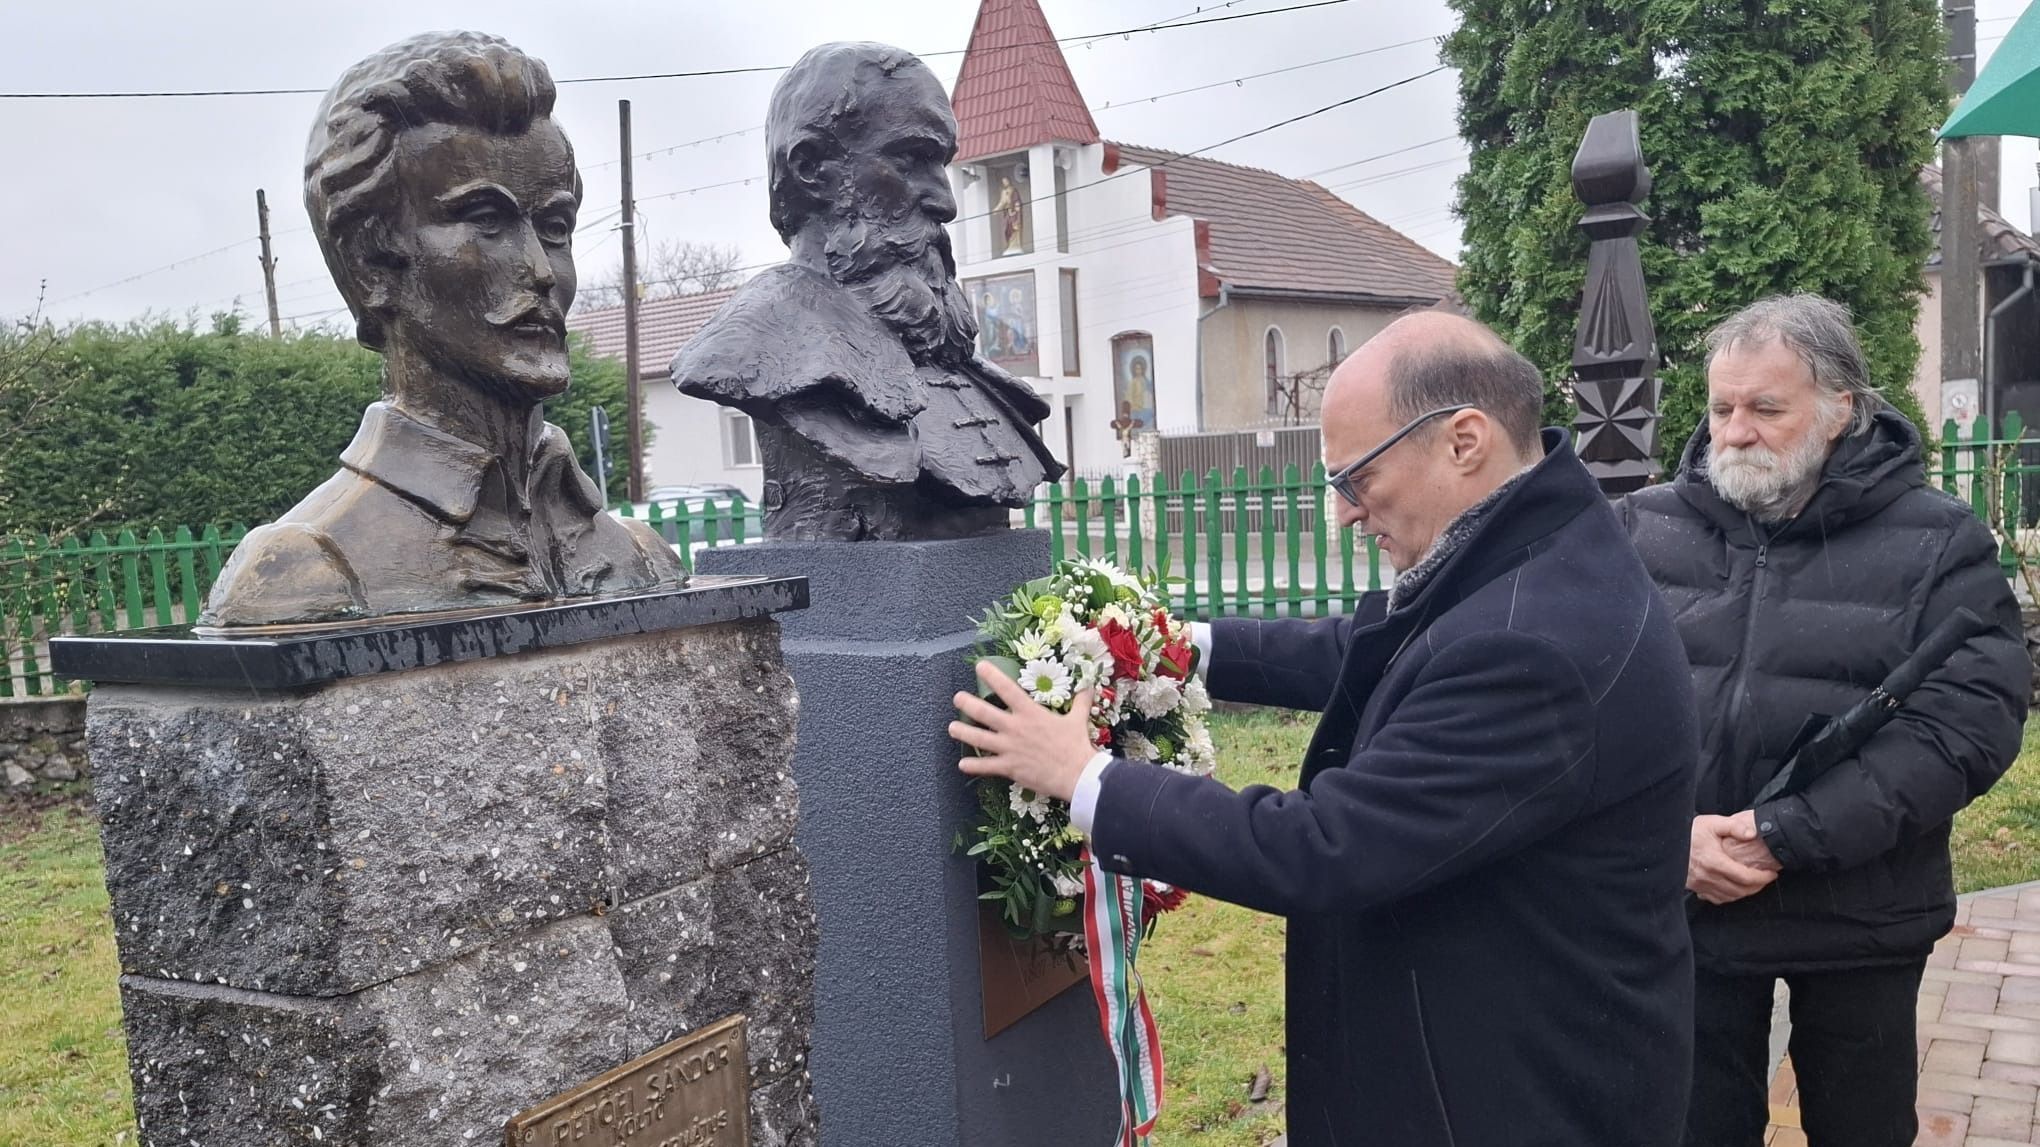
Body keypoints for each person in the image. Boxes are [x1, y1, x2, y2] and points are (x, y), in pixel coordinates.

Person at [952, 311, 1701, 1146]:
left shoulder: (1533, 647)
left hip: (1509, 1095)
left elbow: (1326, 845)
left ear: (1463, 441)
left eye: (1357, 480)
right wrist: (1184, 646)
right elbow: (1378, 649)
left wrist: (1085, 777)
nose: (1344, 514)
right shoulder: (1539, 556)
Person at [1621, 294, 2029, 1147]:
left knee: (1864, 1128)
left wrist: (1786, 833)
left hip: (1861, 913)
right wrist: (1672, 836)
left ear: (1843, 407)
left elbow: (1967, 724)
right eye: (1722, 406)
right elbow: (1588, 704)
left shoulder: (1938, 539)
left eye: (1766, 408)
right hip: (1692, 901)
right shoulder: (1643, 528)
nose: (1735, 431)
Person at [202, 31, 682, 628]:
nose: (539, 270)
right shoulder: (307, 574)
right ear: (371, 262)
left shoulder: (639, 556)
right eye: (486, 219)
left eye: (555, 226)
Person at [673, 42, 1062, 542]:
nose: (946, 202)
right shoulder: (759, 346)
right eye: (912, 158)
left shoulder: (954, 360)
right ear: (811, 171)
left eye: (942, 162)